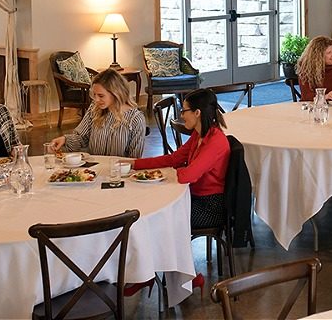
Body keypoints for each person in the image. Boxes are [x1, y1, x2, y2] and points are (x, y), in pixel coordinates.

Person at [129, 87, 228, 293]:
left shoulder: (216, 140)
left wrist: (173, 171)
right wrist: (135, 164)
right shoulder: (199, 134)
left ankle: (155, 275)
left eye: (184, 111)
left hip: (210, 206)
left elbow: (188, 175)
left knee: (160, 221)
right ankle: (148, 273)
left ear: (197, 113)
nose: (181, 115)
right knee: (155, 215)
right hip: (193, 197)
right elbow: (174, 159)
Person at [48, 68, 146, 158]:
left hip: (119, 171)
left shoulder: (135, 119)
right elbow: (81, 138)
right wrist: (64, 140)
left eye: (101, 96)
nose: (96, 100)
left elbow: (135, 159)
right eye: (94, 95)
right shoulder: (94, 109)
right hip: (93, 169)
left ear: (116, 93)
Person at [297, 35, 332, 101]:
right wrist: (324, 97)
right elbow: (306, 97)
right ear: (318, 57)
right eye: (329, 53)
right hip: (313, 106)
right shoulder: (306, 70)